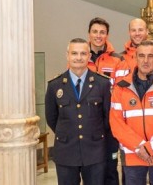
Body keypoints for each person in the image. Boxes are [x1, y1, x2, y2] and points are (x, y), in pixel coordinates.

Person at [110, 40, 153, 185]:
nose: (146, 60)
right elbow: (116, 123)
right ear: (135, 58)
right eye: (141, 56)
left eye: (150, 56)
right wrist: (140, 146)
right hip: (133, 154)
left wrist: (151, 147)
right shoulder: (121, 88)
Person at [45, 38, 111, 185]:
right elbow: (51, 117)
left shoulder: (103, 83)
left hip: (94, 150)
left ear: (89, 56)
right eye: (74, 53)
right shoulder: (55, 85)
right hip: (66, 150)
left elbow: (107, 117)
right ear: (67, 56)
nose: (79, 58)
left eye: (83, 53)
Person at [86, 17, 122, 185]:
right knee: (90, 170)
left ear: (107, 35)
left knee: (110, 169)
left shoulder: (117, 60)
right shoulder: (80, 60)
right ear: (89, 34)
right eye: (95, 32)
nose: (98, 36)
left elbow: (121, 91)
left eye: (102, 32)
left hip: (110, 125)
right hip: (88, 124)